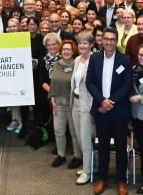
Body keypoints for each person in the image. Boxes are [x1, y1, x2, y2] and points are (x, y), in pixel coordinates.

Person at [86, 27, 132, 195]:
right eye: (106, 39)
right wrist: (102, 101)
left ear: (116, 40)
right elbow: (89, 83)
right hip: (101, 110)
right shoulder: (94, 59)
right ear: (102, 40)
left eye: (113, 39)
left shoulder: (125, 60)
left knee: (121, 147)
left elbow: (127, 85)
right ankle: (102, 178)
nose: (109, 42)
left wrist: (110, 101)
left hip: (118, 111)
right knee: (103, 146)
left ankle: (122, 180)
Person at [49, 40, 82, 169]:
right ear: (60, 51)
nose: (66, 52)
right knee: (58, 131)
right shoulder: (56, 64)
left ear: (73, 51)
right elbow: (53, 83)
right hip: (58, 103)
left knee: (74, 133)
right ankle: (61, 155)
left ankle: (77, 157)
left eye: (69, 49)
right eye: (64, 50)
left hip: (73, 103)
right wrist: (52, 99)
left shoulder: (78, 65)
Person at [70, 31, 95, 185]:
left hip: (88, 104)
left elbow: (96, 87)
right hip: (75, 102)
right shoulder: (78, 59)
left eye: (85, 43)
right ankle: (89, 165)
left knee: (86, 138)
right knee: (79, 136)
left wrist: (93, 109)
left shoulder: (95, 61)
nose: (82, 46)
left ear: (91, 45)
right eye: (80, 43)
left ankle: (87, 172)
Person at [131, 45, 143, 195]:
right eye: (140, 54)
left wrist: (141, 97)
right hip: (135, 116)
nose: (142, 57)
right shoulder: (135, 69)